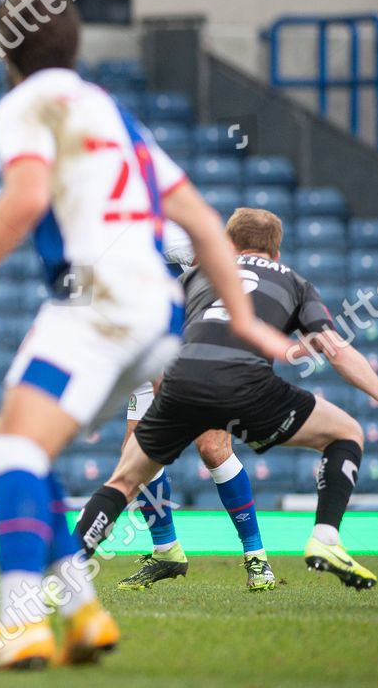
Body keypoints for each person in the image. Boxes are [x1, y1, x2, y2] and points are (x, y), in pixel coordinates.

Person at [0, 0, 297, 673]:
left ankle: (20, 623)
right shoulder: (114, 113)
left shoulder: (25, 105)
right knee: (26, 450)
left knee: (7, 456)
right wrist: (248, 324)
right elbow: (204, 223)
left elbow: (24, 197)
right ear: (76, 45)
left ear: (6, 51)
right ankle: (82, 613)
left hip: (95, 300)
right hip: (155, 316)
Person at [73, 208, 378, 592]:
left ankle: (65, 565)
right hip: (217, 368)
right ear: (277, 252)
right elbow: (335, 348)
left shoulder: (179, 248)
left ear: (228, 244)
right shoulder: (294, 281)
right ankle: (313, 539)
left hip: (179, 361)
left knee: (166, 463)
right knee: (345, 433)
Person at [115, 221, 276, 593]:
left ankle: (257, 558)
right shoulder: (88, 235)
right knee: (135, 455)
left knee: (212, 447)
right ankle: (166, 551)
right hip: (142, 345)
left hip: (194, 343)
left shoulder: (160, 228)